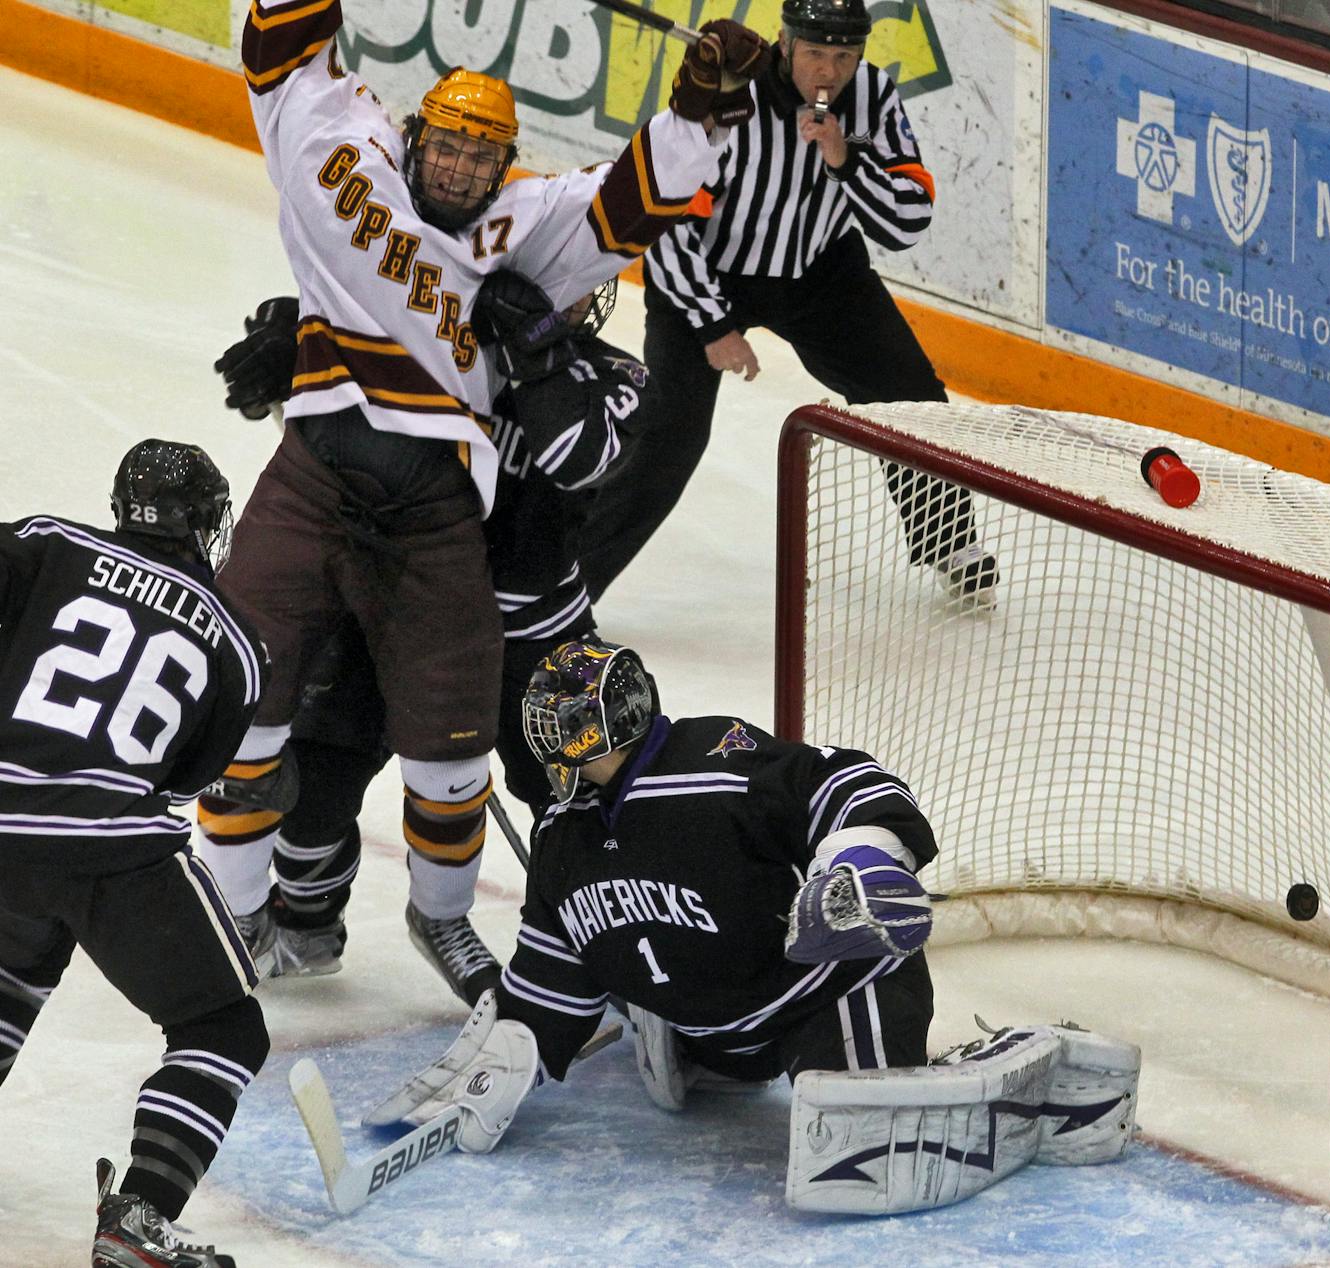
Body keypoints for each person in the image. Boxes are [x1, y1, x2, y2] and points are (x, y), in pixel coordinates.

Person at [198, 0, 771, 998]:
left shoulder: (548, 288)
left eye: (482, 156)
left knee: (504, 772)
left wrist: (699, 110)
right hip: (339, 503)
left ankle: (523, 924)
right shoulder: (354, 170)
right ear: (416, 139)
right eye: (447, 148)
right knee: (283, 729)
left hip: (522, 614)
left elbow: (628, 208)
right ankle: (265, 913)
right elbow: (285, 56)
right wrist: (300, 338)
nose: (460, 169)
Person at [363, 638, 1142, 1214]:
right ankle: (687, 1042)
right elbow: (554, 973)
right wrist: (511, 1048)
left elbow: (840, 779)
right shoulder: (563, 840)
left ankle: (1013, 1065)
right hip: (706, 1032)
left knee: (856, 1151)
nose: (548, 749)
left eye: (563, 729)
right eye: (542, 730)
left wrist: (858, 858)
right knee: (675, 1060)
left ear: (614, 720)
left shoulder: (715, 761)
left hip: (823, 999)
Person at [208, 276, 647, 997]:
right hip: (395, 601)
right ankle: (306, 920)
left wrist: (534, 356)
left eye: (576, 285)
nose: (563, 297)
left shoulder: (616, 375)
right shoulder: (433, 340)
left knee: (585, 801)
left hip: (535, 632)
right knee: (314, 787)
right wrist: (310, 349)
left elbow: (580, 459)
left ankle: (590, 945)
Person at [577, 0, 997, 607]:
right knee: (670, 435)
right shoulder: (728, 95)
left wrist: (844, 160)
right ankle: (566, 590)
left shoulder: (873, 98)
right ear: (784, 42)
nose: (829, 71)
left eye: (845, 56)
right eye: (815, 53)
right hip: (709, 273)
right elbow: (665, 220)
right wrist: (713, 325)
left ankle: (949, 542)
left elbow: (909, 219)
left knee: (911, 396)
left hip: (819, 271)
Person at [0, 441, 269, 1268]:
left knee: (12, 975)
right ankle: (141, 1216)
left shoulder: (48, 541)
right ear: (201, 523)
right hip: (114, 851)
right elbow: (190, 775)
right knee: (222, 1027)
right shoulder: (235, 639)